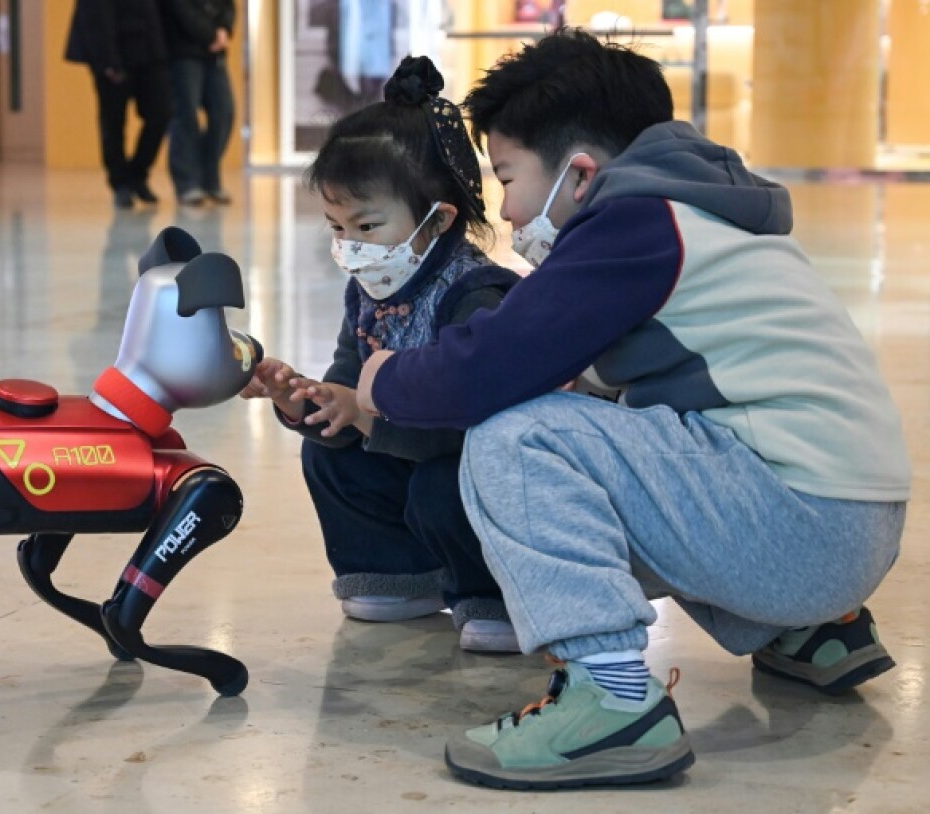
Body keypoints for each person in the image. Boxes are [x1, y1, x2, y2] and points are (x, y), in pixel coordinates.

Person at [354, 29, 910, 789]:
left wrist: (383, 380)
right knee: (595, 422)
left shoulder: (635, 220)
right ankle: (808, 629)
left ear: (579, 174)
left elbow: (490, 367)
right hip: (847, 521)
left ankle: (612, 702)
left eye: (509, 178)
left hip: (804, 524)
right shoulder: (698, 208)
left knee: (518, 440)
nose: (509, 212)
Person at [241, 57, 523, 653]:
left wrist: (368, 414)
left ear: (438, 219)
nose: (350, 247)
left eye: (366, 225)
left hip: (478, 468)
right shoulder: (371, 290)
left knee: (441, 485)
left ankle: (494, 594)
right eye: (335, 226)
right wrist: (309, 401)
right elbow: (349, 383)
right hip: (408, 445)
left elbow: (476, 427)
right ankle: (400, 575)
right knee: (330, 460)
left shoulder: (477, 295)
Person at [65, 0, 171, 210]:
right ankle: (120, 183)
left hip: (150, 50)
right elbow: (95, 15)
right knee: (113, 122)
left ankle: (138, 173)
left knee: (161, 113)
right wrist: (108, 61)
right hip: (112, 52)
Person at [160, 0, 237, 206]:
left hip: (215, 54)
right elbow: (182, 11)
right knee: (185, 116)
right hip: (183, 53)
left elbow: (228, 7)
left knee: (224, 113)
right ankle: (187, 183)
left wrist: (225, 29)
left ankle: (208, 178)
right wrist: (211, 35)